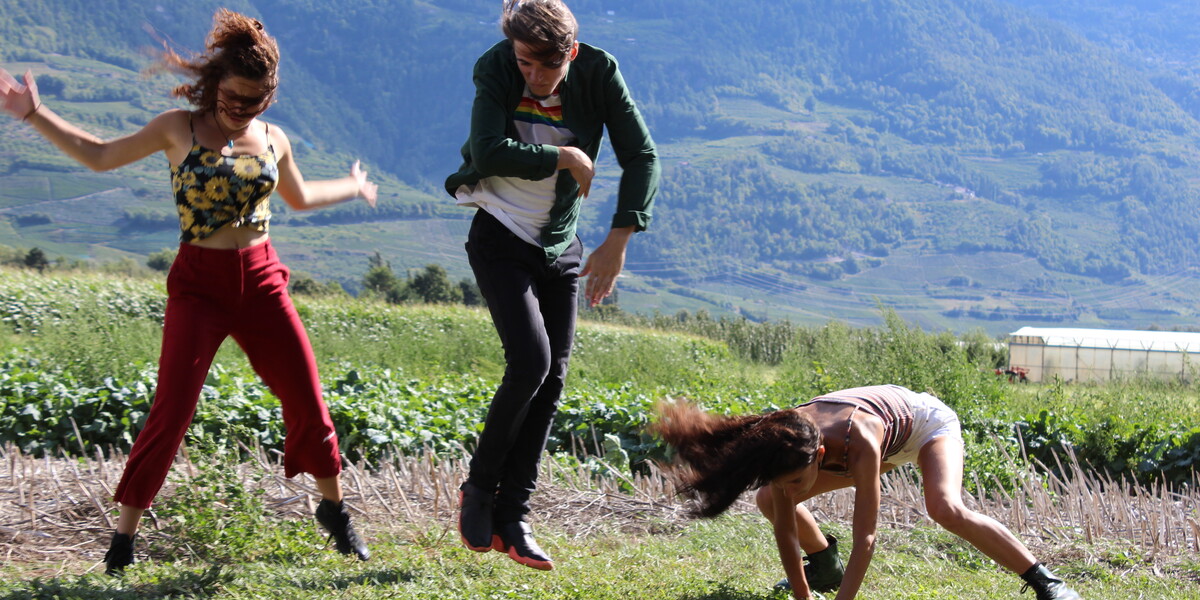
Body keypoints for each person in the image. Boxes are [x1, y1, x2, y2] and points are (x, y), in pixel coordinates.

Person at [0, 9, 376, 575]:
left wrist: (353, 185)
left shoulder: (274, 139)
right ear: (215, 83)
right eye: (231, 96)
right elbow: (99, 156)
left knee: (307, 398)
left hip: (264, 280)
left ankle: (334, 512)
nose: (239, 108)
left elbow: (297, 198)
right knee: (172, 409)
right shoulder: (178, 127)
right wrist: (35, 115)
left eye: (252, 101)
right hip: (199, 284)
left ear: (267, 97)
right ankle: (123, 541)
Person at [444, 0, 659, 571]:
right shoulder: (496, 68)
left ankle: (514, 519)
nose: (533, 77)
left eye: (545, 65)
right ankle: (479, 491)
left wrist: (619, 237)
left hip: (559, 244)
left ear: (573, 52)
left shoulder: (599, 72)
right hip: (498, 233)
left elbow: (641, 155)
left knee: (553, 377)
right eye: (524, 63)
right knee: (531, 363)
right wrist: (564, 154)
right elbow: (488, 150)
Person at [651, 385, 1082, 600]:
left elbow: (867, 538)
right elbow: (784, 531)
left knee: (945, 508)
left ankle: (1047, 582)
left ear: (820, 453)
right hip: (872, 437)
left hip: (925, 425)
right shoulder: (784, 445)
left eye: (799, 481)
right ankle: (823, 566)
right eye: (790, 483)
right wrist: (804, 598)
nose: (795, 490)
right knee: (768, 500)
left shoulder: (860, 442)